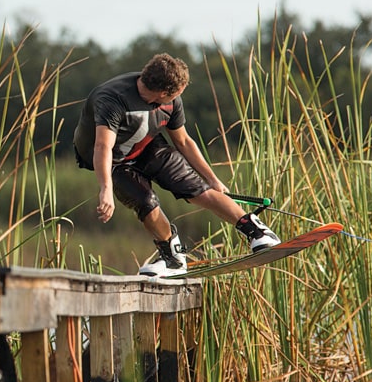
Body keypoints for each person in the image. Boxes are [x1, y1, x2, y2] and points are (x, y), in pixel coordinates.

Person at [73, 53, 280, 277]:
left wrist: (213, 179)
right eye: (178, 94)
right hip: (113, 160)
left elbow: (183, 141)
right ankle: (172, 257)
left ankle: (256, 231)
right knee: (146, 203)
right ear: (164, 93)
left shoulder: (171, 101)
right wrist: (106, 189)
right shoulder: (113, 99)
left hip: (148, 146)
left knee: (197, 189)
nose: (179, 98)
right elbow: (102, 147)